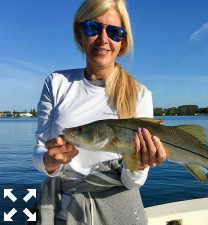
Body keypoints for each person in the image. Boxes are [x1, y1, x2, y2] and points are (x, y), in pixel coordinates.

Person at [32, 0, 167, 224]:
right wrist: (50, 160)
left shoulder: (140, 93)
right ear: (80, 33)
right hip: (63, 210)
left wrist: (139, 164)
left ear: (122, 41)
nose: (104, 39)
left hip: (120, 211)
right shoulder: (56, 82)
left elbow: (133, 182)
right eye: (93, 28)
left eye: (114, 32)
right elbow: (39, 151)